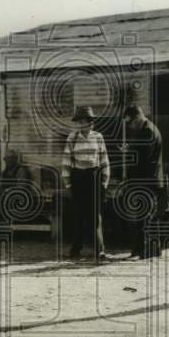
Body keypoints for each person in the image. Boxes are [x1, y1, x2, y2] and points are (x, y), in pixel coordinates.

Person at [62, 106, 110, 260]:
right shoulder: (72, 138)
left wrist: (104, 182)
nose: (83, 125)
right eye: (80, 122)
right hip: (78, 179)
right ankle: (76, 249)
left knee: (95, 215)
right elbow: (66, 163)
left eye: (86, 121)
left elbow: (104, 161)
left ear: (91, 123)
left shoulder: (98, 137)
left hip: (94, 178)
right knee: (78, 215)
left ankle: (99, 250)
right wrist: (68, 185)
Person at [122, 105, 165, 259]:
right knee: (146, 216)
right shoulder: (148, 129)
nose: (130, 125)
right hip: (149, 180)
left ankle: (144, 251)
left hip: (145, 180)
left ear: (138, 117)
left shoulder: (147, 132)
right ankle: (149, 250)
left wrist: (128, 153)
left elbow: (142, 160)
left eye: (130, 122)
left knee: (144, 217)